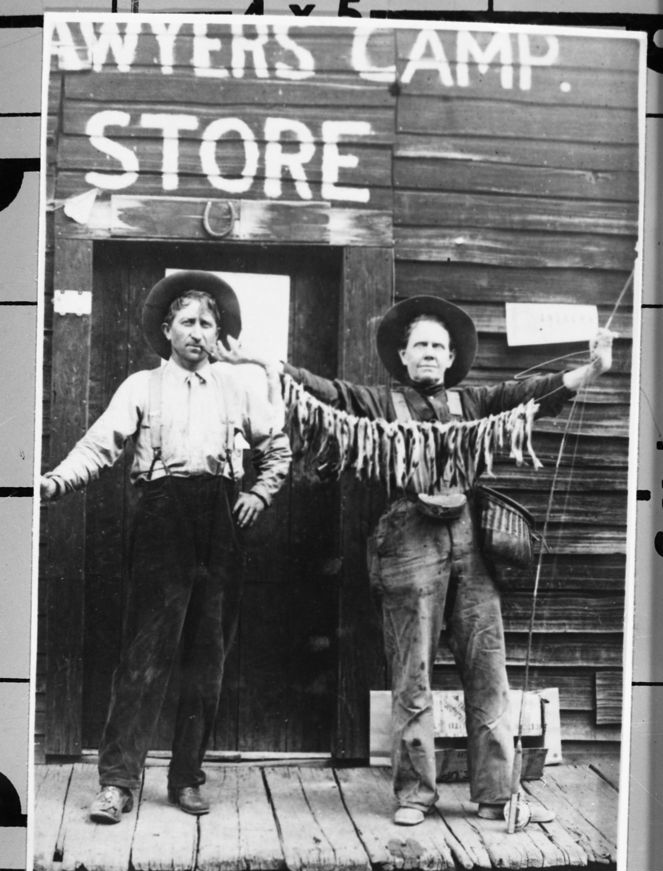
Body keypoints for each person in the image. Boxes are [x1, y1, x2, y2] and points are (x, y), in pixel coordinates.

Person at [247, 294, 613, 827]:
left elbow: (535, 394)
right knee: (411, 671)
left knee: (487, 667)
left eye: (438, 347)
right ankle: (415, 795)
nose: (429, 353)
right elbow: (327, 393)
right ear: (403, 355)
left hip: (470, 541)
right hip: (406, 538)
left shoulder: (476, 403)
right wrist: (269, 365)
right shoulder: (378, 403)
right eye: (420, 345)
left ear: (450, 357)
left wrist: (594, 368)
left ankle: (495, 795)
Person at [40, 271, 291, 823]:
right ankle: (117, 783)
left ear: (218, 333)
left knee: (208, 659)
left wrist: (259, 493)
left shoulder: (238, 388)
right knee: (144, 657)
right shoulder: (141, 387)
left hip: (221, 526)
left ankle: (186, 779)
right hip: (162, 523)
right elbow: (98, 446)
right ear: (167, 330)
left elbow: (278, 449)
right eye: (187, 322)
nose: (198, 332)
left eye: (208, 324)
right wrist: (57, 482)